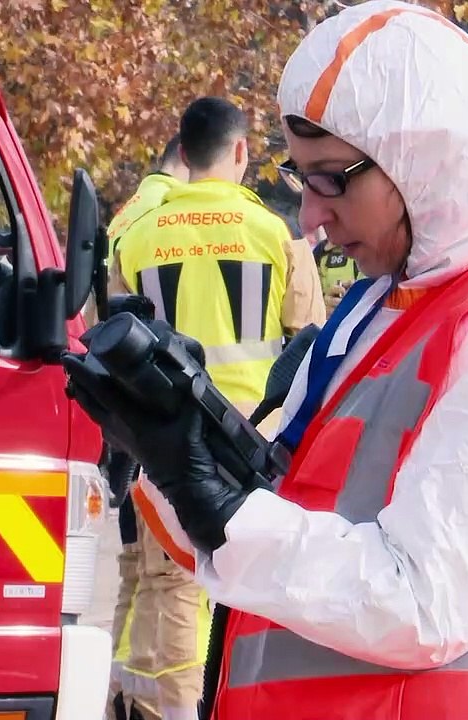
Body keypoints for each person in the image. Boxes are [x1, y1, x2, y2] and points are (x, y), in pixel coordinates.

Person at [65, 2, 468, 718]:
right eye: (304, 180)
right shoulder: (387, 310)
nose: (311, 217)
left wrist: (227, 512)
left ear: (422, 162)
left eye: (331, 177)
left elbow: (422, 598)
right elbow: (299, 510)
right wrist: (181, 463)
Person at [103, 96, 324, 720]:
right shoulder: (276, 235)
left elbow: (111, 339)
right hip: (254, 447)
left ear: (184, 151)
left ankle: (143, 706)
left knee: (164, 585)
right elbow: (311, 340)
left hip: (162, 445)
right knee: (246, 591)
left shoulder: (138, 234)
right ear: (241, 152)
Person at [102, 137, 190, 720]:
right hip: (185, 431)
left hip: (130, 428)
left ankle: (120, 695)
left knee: (137, 569)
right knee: (177, 583)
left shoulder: (127, 219)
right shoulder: (169, 220)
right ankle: (160, 705)